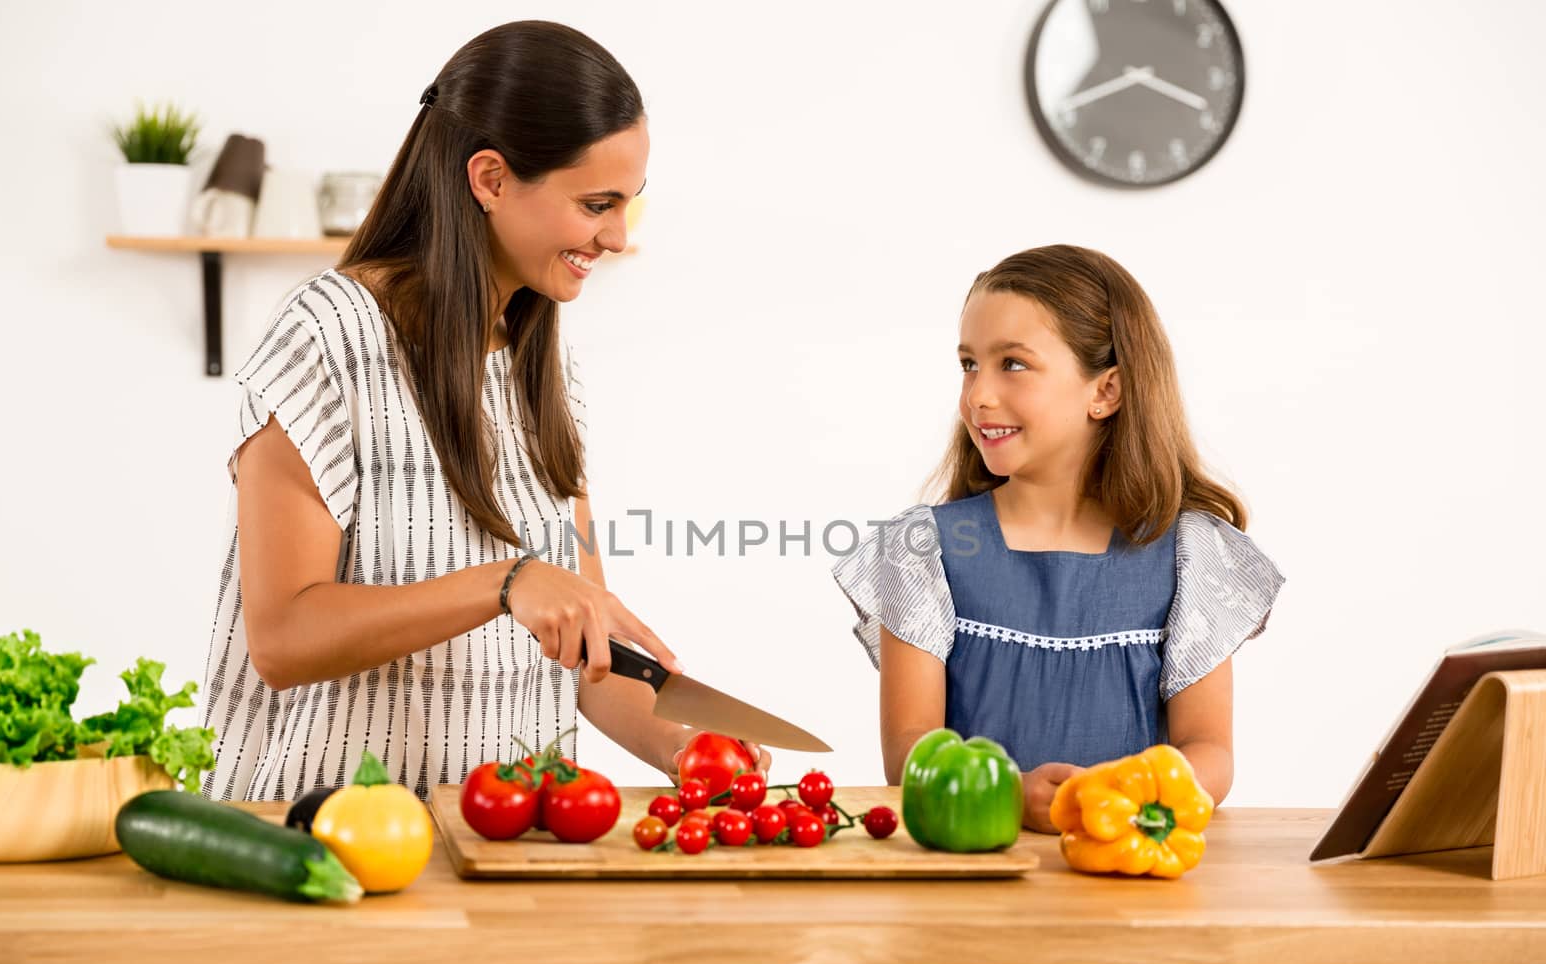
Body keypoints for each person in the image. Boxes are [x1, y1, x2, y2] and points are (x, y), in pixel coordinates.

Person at [198, 20, 765, 802]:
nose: (615, 235)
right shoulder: (328, 337)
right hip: (323, 841)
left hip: (502, 843)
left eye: (628, 205)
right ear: (491, 178)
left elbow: (588, 659)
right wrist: (506, 581)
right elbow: (283, 638)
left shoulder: (543, 361)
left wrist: (682, 746)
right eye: (596, 203)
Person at [832, 245, 1282, 832]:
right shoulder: (925, 550)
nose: (978, 395)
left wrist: (1118, 794)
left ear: (1107, 391)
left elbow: (1209, 751)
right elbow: (910, 751)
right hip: (974, 877)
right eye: (969, 364)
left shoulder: (1190, 555)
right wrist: (1009, 795)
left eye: (1012, 364)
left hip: (1128, 879)